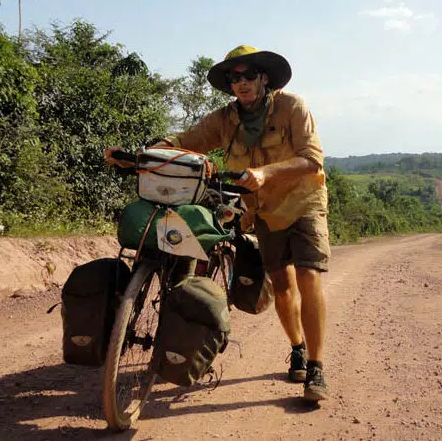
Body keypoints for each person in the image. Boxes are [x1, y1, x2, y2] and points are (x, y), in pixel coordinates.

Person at [106, 44, 330, 402]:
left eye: (248, 75)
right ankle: (298, 348)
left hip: (303, 202)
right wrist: (142, 156)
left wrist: (265, 173)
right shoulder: (225, 119)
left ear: (264, 78)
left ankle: (316, 368)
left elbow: (311, 159)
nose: (242, 83)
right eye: (234, 78)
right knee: (282, 286)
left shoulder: (292, 107)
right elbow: (186, 141)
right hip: (261, 210)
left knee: (308, 275)